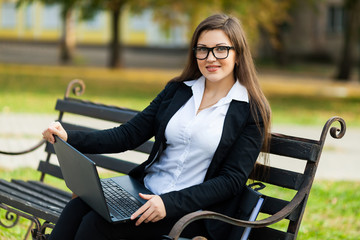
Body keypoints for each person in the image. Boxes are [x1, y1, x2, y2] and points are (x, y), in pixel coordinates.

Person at [42, 13, 271, 240]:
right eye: (202, 49)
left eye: (221, 49)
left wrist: (168, 204)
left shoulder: (251, 111)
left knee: (96, 225)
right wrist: (69, 137)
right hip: (145, 193)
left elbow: (230, 180)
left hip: (191, 214)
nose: (210, 57)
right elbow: (128, 135)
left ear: (238, 54)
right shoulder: (178, 91)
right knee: (77, 207)